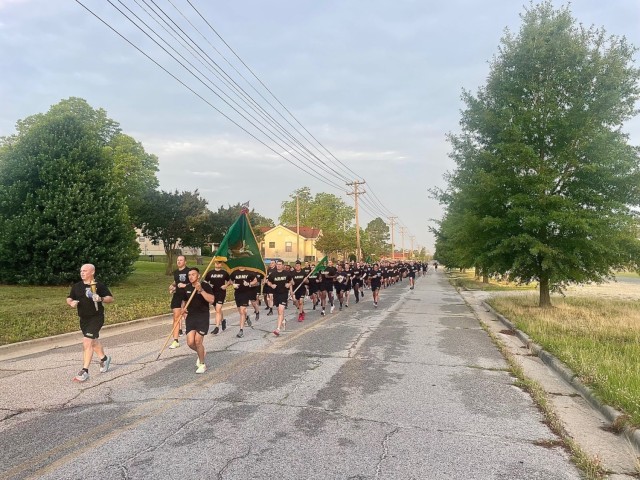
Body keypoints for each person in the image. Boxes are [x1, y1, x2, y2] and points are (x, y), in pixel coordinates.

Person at [67, 264, 114, 383]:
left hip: (96, 317)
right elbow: (69, 297)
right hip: (83, 319)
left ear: (92, 272)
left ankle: (85, 371)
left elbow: (110, 298)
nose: (82, 273)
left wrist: (101, 299)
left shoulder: (99, 286)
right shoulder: (77, 286)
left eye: (85, 271)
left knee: (87, 341)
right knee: (93, 342)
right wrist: (71, 303)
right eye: (81, 271)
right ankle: (104, 359)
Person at [182, 267, 214, 373]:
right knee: (190, 343)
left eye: (193, 274)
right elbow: (184, 300)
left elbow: (211, 300)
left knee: (198, 341)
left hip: (202, 316)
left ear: (198, 276)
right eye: (189, 275)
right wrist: (183, 309)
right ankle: (201, 352)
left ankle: (202, 364)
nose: (191, 277)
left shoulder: (205, 286)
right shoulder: (187, 287)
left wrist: (201, 290)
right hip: (191, 317)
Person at [266, 260, 293, 336]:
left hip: (283, 294)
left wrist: (289, 284)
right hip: (276, 294)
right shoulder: (273, 274)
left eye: (280, 264)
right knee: (279, 311)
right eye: (277, 264)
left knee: (281, 311)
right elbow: (268, 282)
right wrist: (271, 285)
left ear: (283, 265)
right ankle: (283, 320)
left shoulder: (287, 273)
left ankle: (278, 329)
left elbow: (292, 282)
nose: (278, 265)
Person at [168, 255, 189, 349]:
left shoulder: (189, 271)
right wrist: (172, 287)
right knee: (176, 317)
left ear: (185, 262)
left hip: (187, 296)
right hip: (177, 296)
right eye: (178, 260)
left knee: (187, 316)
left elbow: (195, 283)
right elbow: (176, 282)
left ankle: (190, 334)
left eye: (181, 260)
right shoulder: (176, 272)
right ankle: (175, 340)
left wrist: (185, 285)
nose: (179, 262)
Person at [229, 266, 257, 338]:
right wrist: (233, 284)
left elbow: (255, 281)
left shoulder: (249, 272)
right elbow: (230, 280)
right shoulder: (235, 272)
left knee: (242, 310)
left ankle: (241, 330)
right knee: (241, 311)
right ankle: (246, 317)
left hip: (246, 293)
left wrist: (249, 284)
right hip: (237, 293)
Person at [203, 260, 230, 334]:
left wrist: (226, 285)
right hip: (212, 293)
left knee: (218, 309)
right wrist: (208, 286)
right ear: (214, 263)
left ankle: (217, 327)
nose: (218, 264)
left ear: (221, 264)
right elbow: (205, 282)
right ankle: (223, 320)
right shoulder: (210, 273)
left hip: (221, 293)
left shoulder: (224, 273)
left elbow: (230, 281)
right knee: (217, 309)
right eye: (217, 263)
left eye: (219, 263)